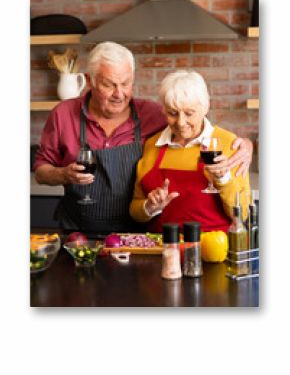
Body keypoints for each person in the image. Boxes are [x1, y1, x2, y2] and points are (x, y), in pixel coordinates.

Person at [34, 42, 253, 235]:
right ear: (90, 81)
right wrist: (63, 174)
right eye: (109, 85)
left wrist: (245, 145)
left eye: (126, 83)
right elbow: (42, 170)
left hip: (134, 236)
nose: (119, 94)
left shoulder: (152, 114)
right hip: (78, 232)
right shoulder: (63, 114)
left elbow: (193, 122)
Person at [129, 70, 251, 233]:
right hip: (162, 250)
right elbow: (135, 210)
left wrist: (224, 179)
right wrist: (149, 207)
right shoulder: (153, 145)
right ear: (163, 110)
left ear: (205, 107)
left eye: (189, 113)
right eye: (172, 113)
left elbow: (242, 214)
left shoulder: (229, 144)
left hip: (212, 251)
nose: (180, 122)